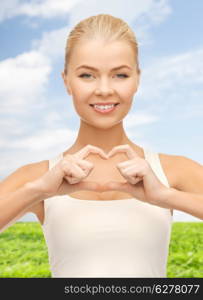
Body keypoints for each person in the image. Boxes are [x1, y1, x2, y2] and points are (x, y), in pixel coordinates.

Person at [0, 14, 203, 278]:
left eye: (120, 75)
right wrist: (37, 191)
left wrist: (165, 197)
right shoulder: (37, 177)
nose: (104, 89)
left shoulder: (174, 170)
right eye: (87, 75)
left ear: (137, 80)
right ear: (66, 81)